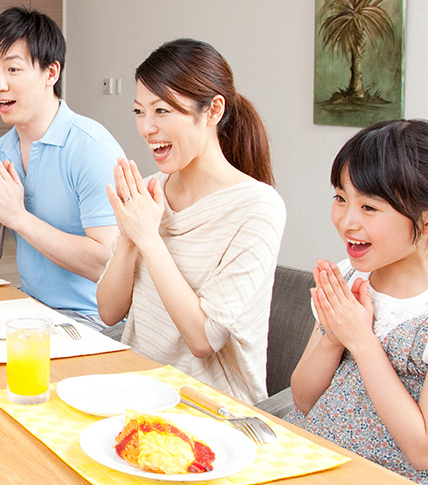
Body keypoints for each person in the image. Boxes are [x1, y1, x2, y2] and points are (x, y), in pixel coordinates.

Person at [287, 120, 428, 485]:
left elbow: (425, 450)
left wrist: (361, 341)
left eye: (369, 207)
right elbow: (304, 398)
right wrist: (334, 337)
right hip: (327, 476)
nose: (347, 221)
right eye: (340, 198)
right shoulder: (347, 278)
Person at [96, 39, 286, 403]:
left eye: (162, 110)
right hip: (136, 392)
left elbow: (203, 339)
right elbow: (108, 311)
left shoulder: (258, 208)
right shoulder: (149, 193)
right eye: (139, 111)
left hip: (210, 409)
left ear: (213, 110)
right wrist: (129, 239)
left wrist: (148, 238)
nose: (147, 127)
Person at [0, 7, 124, 330]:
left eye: (13, 69)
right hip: (31, 309)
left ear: (51, 73)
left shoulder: (92, 148)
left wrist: (18, 218)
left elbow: (107, 262)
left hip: (95, 320)